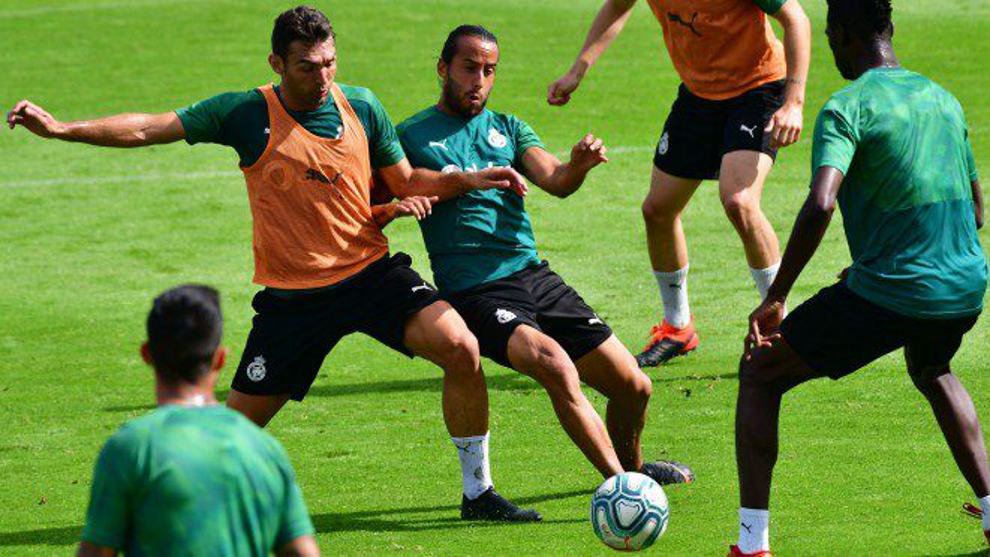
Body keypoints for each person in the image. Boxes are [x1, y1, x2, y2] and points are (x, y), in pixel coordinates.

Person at [7, 5, 538, 522]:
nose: (323, 76)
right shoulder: (244, 113)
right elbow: (149, 127)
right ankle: (161, 504)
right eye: (308, 66)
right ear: (277, 64)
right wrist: (62, 130)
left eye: (330, 62)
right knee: (234, 428)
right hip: (295, 298)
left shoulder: (363, 105)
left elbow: (405, 181)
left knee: (461, 346)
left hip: (371, 273)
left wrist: (464, 178)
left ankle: (478, 492)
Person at [731, 1, 988, 554]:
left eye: (828, 36)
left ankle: (751, 545)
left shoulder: (847, 107)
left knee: (760, 370)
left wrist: (776, 296)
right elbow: (976, 210)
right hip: (966, 284)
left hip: (898, 287)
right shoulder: (940, 98)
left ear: (842, 36)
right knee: (932, 364)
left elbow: (821, 203)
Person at [394, 25, 694, 485]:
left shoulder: (507, 128)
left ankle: (633, 469)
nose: (479, 79)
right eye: (469, 67)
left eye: (488, 70)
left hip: (534, 276)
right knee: (554, 364)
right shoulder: (411, 135)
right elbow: (401, 184)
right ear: (443, 69)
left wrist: (577, 165)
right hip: (477, 291)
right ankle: (623, 487)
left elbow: (555, 181)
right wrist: (464, 181)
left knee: (634, 385)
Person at [548, 0, 811, 368]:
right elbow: (616, 7)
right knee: (657, 210)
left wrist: (794, 102)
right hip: (699, 96)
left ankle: (779, 326)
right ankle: (677, 327)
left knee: (739, 201)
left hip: (758, 88)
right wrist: (578, 70)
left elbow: (795, 18)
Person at [77, 285, 319, 556]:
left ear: (147, 355)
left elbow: (96, 552)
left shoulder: (130, 448)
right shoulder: (263, 449)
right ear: (220, 359)